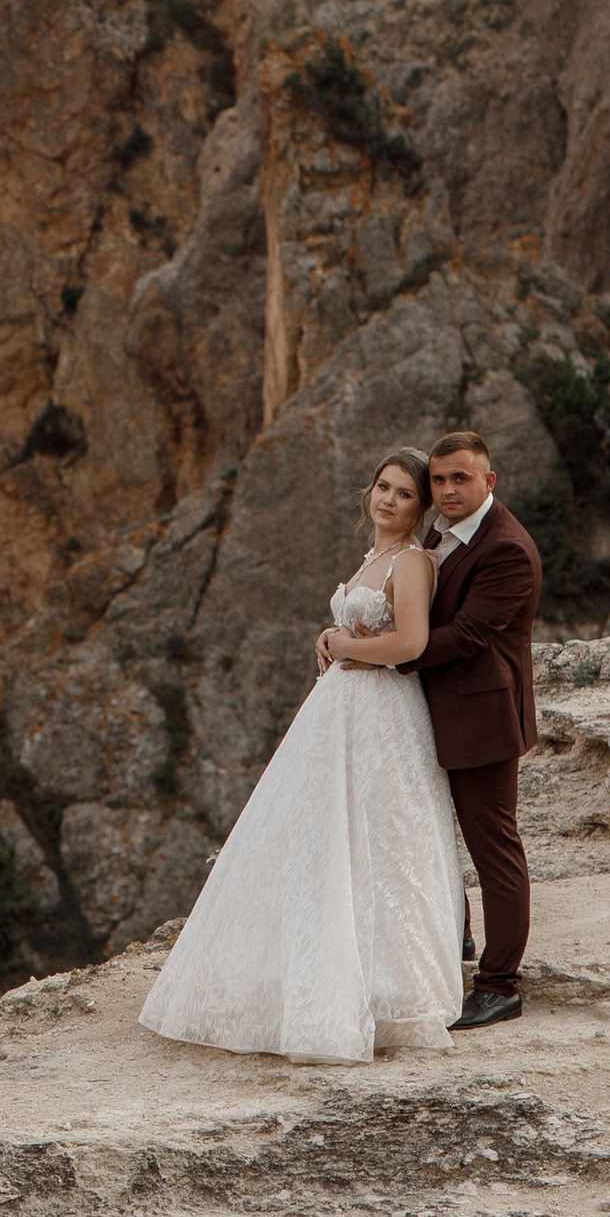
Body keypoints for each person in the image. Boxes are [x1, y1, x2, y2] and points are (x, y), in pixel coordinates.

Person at [137, 451, 465, 1064]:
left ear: (421, 509)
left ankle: (386, 989)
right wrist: (331, 636)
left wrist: (345, 643)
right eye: (383, 487)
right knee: (319, 835)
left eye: (404, 495)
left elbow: (413, 641)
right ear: (368, 491)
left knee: (378, 840)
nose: (389, 500)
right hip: (343, 708)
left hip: (380, 715)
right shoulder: (375, 559)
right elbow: (367, 629)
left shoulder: (414, 562)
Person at [318, 428, 541, 1030]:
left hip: (483, 717)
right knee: (421, 832)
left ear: (488, 480)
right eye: (438, 480)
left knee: (494, 850)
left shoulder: (507, 549)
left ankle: (500, 985)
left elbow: (467, 636)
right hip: (424, 712)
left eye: (460, 478)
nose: (446, 490)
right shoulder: (443, 534)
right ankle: (454, 943)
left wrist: (373, 654)